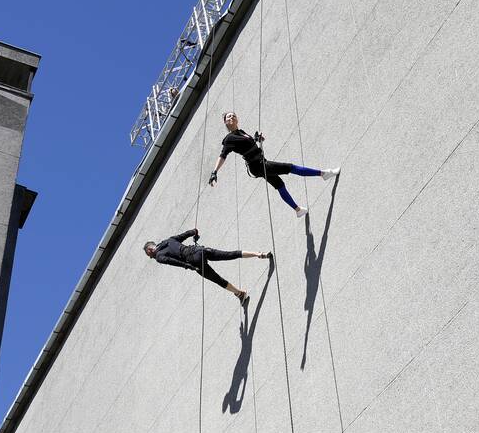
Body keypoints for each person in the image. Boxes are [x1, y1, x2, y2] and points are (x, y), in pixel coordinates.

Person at [207, 111, 339, 217]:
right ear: (225, 122)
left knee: (279, 185)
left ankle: (298, 210)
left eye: (233, 115)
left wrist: (258, 139)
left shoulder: (241, 132)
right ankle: (323, 174)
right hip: (257, 165)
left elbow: (248, 145)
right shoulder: (229, 139)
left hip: (259, 163)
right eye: (229, 117)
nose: (232, 117)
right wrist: (214, 172)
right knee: (290, 167)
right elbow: (222, 155)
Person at [144, 228, 270, 303]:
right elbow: (186, 234)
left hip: (194, 261)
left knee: (218, 280)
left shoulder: (159, 256)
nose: (151, 257)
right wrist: (194, 232)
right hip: (200, 250)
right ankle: (259, 254)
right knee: (230, 254)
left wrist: (190, 267)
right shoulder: (168, 240)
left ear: (150, 250)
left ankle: (240, 293)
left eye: (149, 255)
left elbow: (174, 262)